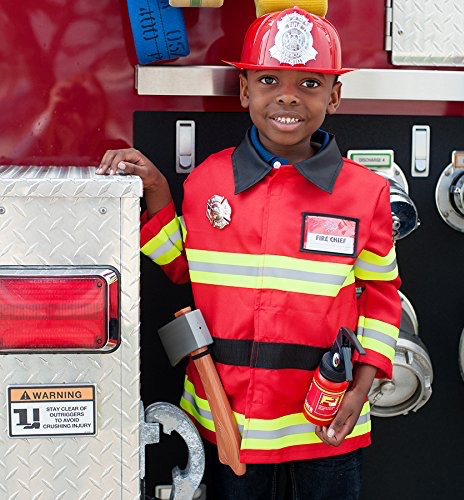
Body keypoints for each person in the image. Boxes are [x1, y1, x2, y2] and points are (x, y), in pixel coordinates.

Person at [97, 7, 401, 499]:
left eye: (310, 84)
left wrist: (362, 385)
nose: (288, 96)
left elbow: (382, 299)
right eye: (267, 80)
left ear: (334, 96)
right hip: (228, 420)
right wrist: (156, 189)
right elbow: (181, 267)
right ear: (243, 90)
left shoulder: (365, 194)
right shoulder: (207, 182)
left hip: (324, 421)